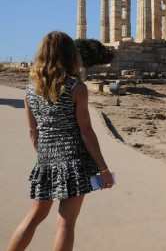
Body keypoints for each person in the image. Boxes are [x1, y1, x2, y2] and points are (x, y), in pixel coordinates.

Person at [7, 31, 113, 251]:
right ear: (70, 55)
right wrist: (103, 168)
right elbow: (86, 132)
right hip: (73, 161)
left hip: (46, 159)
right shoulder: (76, 88)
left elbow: (32, 130)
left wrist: (45, 156)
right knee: (66, 223)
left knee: (34, 216)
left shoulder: (30, 90)